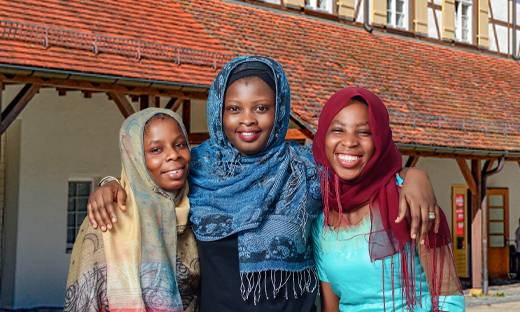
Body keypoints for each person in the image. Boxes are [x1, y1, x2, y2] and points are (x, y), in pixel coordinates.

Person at [87, 56, 441, 311]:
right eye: (234, 108)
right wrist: (108, 184)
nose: (247, 120)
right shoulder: (196, 168)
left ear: (280, 109)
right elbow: (144, 180)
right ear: (218, 112)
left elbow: (362, 179)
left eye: (261, 108)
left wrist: (413, 175)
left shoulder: (307, 168)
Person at [311, 87, 464, 311]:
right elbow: (331, 308)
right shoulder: (321, 219)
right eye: (337, 130)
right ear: (322, 138)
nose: (350, 141)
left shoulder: (410, 199)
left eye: (364, 132)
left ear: (380, 140)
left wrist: (415, 173)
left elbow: (448, 299)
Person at [65, 108, 200, 312]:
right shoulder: (107, 218)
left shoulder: (200, 207)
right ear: (134, 157)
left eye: (180, 144)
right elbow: (85, 302)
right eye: (156, 149)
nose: (173, 155)